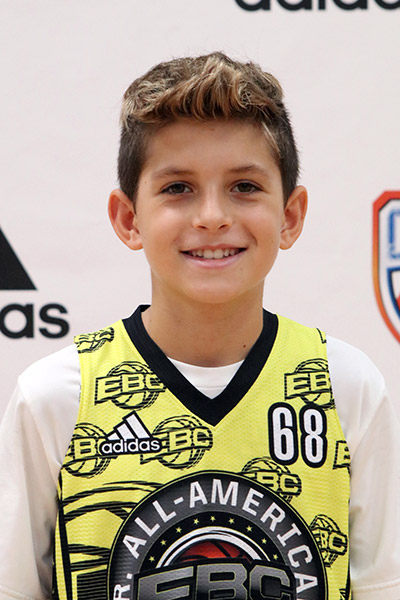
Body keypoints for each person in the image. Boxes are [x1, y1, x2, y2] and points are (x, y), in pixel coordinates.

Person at [0, 52, 399, 600]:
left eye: (245, 186)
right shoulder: (56, 396)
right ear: (128, 218)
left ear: (290, 216)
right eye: (178, 188)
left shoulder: (346, 386)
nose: (212, 216)